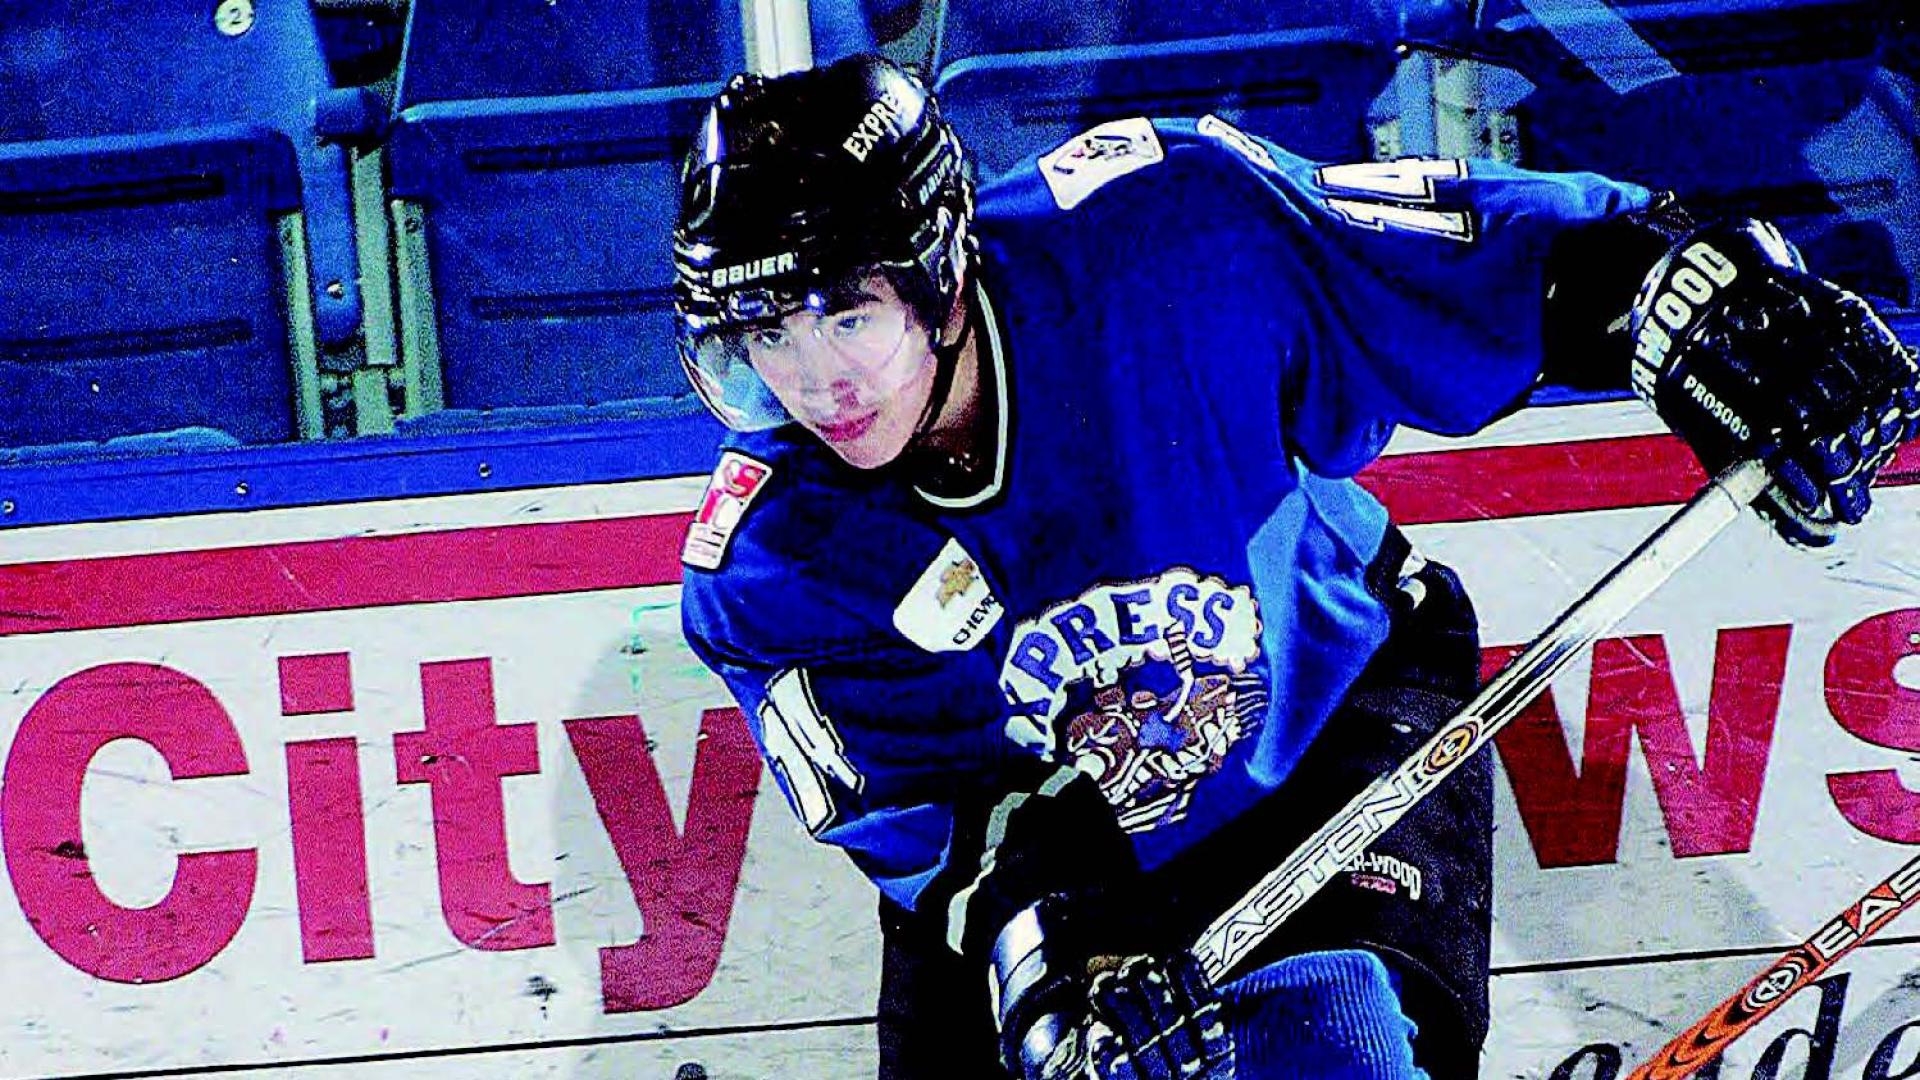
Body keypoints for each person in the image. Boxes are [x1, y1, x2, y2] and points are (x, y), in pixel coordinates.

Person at [670, 55, 1920, 1080]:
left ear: (942, 276)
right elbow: (953, 824)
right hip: (1057, 859)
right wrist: (1059, 964)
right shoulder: (771, 556)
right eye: (765, 330)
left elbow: (1467, 259)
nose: (813, 377)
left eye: (848, 312)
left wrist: (1685, 292)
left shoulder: (1162, 242)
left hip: (1325, 728)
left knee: (1328, 1057)